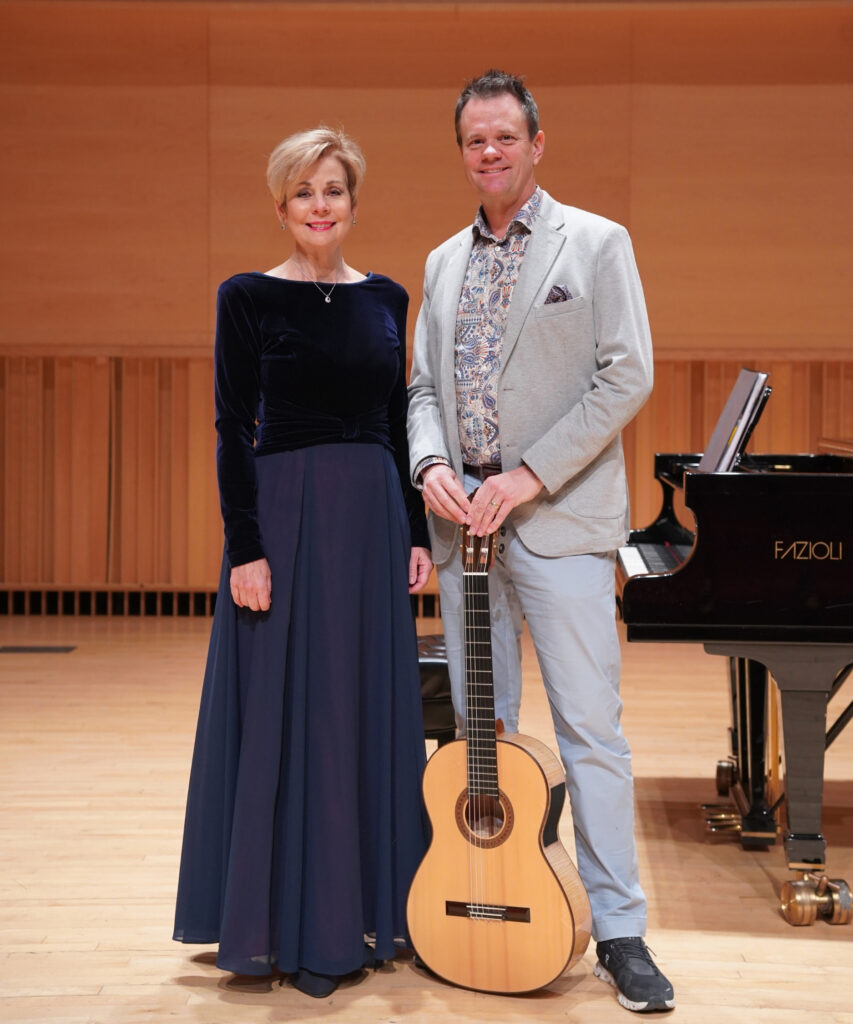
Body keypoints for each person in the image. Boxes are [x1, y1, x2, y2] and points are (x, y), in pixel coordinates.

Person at [407, 70, 674, 1013]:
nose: (490, 152)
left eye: (505, 137)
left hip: (555, 521)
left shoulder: (595, 243)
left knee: (588, 733)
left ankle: (619, 930)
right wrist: (428, 464)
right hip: (463, 533)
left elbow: (625, 376)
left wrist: (526, 475)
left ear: (536, 143)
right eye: (474, 140)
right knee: (482, 733)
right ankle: (485, 901)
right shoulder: (442, 261)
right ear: (462, 151)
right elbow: (421, 388)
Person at [173, 126, 433, 998]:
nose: (319, 206)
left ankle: (366, 909)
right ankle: (282, 919)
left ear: (353, 201)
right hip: (283, 520)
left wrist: (414, 532)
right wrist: (244, 546)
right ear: (280, 206)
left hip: (370, 521)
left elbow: (397, 424)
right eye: (303, 192)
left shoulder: (387, 296)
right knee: (286, 713)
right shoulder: (246, 296)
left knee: (356, 707)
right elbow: (230, 426)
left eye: (333, 190)